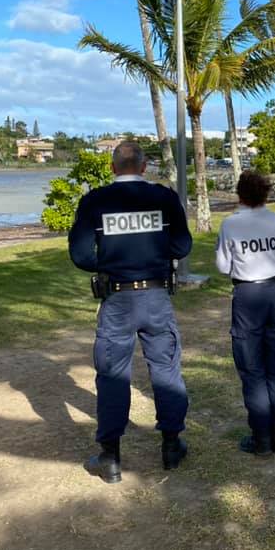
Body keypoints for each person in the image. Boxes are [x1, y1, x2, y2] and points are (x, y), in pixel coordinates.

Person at [68, 141, 192, 483]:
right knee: (166, 369)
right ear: (143, 166)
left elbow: (80, 255)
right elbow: (182, 246)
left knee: (112, 374)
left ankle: (110, 457)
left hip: (117, 300)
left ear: (112, 168)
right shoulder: (164, 199)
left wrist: (108, 264)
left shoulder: (95, 201)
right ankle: (171, 445)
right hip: (155, 296)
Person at [215, 170, 275, 456]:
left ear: (240, 194)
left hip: (248, 296)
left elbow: (223, 266)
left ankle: (261, 436)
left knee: (252, 369)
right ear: (264, 193)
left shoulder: (231, 224)